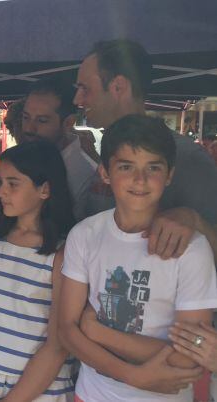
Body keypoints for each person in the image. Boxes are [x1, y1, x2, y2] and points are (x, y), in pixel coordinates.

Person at [58, 114, 217, 400]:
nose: (140, 179)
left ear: (169, 174)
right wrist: (132, 374)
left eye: (153, 167)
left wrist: (96, 332)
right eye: (126, 166)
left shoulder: (192, 249)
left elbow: (190, 356)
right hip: (93, 394)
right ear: (105, 173)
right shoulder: (85, 235)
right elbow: (67, 330)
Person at [74, 39, 217, 261]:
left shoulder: (187, 158)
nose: (77, 99)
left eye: (85, 89)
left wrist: (194, 220)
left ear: (118, 87)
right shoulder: (107, 148)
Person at [0, 140, 75, 401]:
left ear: (44, 189)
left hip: (43, 391)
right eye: (0, 182)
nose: (1, 192)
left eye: (13, 183)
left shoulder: (62, 254)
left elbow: (57, 345)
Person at [21, 78, 98, 220]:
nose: (29, 128)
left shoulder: (86, 174)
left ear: (69, 122)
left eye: (42, 120)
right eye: (26, 117)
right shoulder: (21, 157)